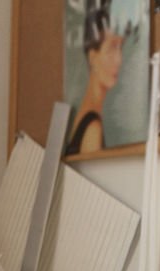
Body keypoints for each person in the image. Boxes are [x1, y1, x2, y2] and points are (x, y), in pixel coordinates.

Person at [66, 0, 124, 155]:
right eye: (112, 48)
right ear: (92, 56)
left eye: (120, 47)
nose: (119, 59)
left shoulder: (85, 115)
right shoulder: (93, 128)